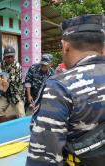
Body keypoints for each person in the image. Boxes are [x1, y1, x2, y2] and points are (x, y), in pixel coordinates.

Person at [26, 14, 105, 166]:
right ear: (102, 46)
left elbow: (43, 158)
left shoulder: (60, 87)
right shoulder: (41, 73)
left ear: (65, 45)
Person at [0, 46, 25, 123]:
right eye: (8, 57)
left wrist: (0, 82)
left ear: (14, 56)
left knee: (21, 114)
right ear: (4, 56)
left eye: (12, 56)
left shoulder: (17, 66)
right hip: (6, 94)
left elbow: (12, 80)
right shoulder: (1, 64)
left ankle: (23, 130)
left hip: (16, 93)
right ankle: (6, 125)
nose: (10, 58)